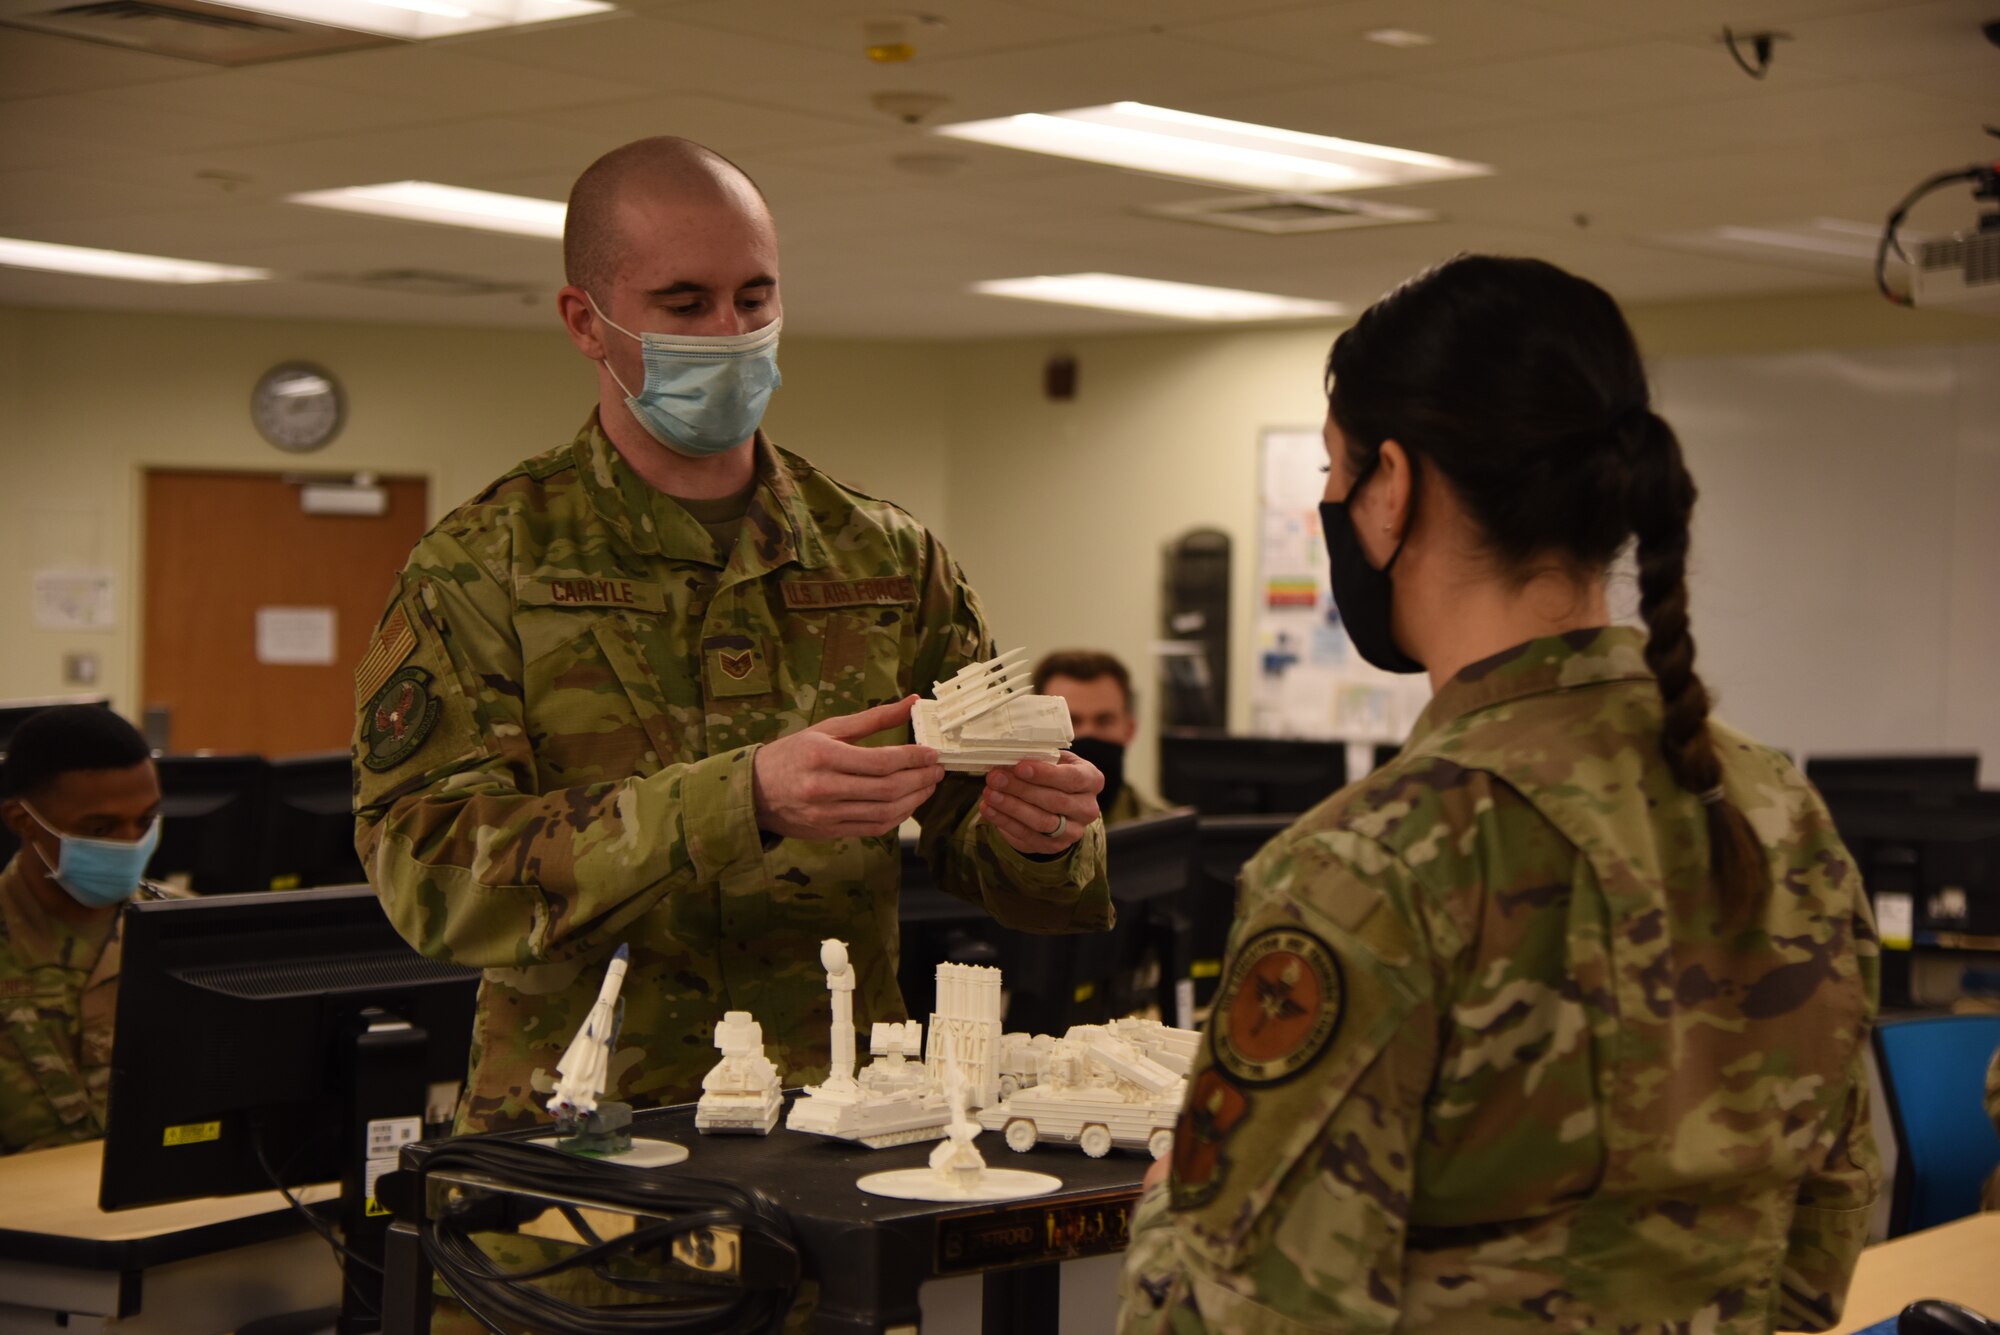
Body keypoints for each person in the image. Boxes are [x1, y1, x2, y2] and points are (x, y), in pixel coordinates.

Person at [1118, 256, 1878, 1333]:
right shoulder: (1775, 814)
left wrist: (1170, 1217)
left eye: (1335, 475)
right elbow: (1822, 1237)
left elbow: (1238, 1319)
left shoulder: (1368, 865)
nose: (1331, 506)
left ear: (1391, 488)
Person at [352, 136, 1109, 1142]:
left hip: (847, 1124)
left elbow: (985, 842)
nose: (730, 332)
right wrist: (738, 799)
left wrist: (1042, 833)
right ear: (587, 320)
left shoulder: (883, 558)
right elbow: (429, 874)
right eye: (684, 304)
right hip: (584, 1147)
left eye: (754, 299)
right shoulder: (484, 566)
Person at [0, 705, 172, 1155]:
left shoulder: (185, 929)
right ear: (23, 821)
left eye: (146, 820)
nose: (131, 842)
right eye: (101, 827)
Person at [1034, 649, 1171, 826]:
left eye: (1104, 721)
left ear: (1130, 729)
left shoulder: (1164, 830)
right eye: (1069, 721)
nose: (1087, 733)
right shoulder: (1003, 834)